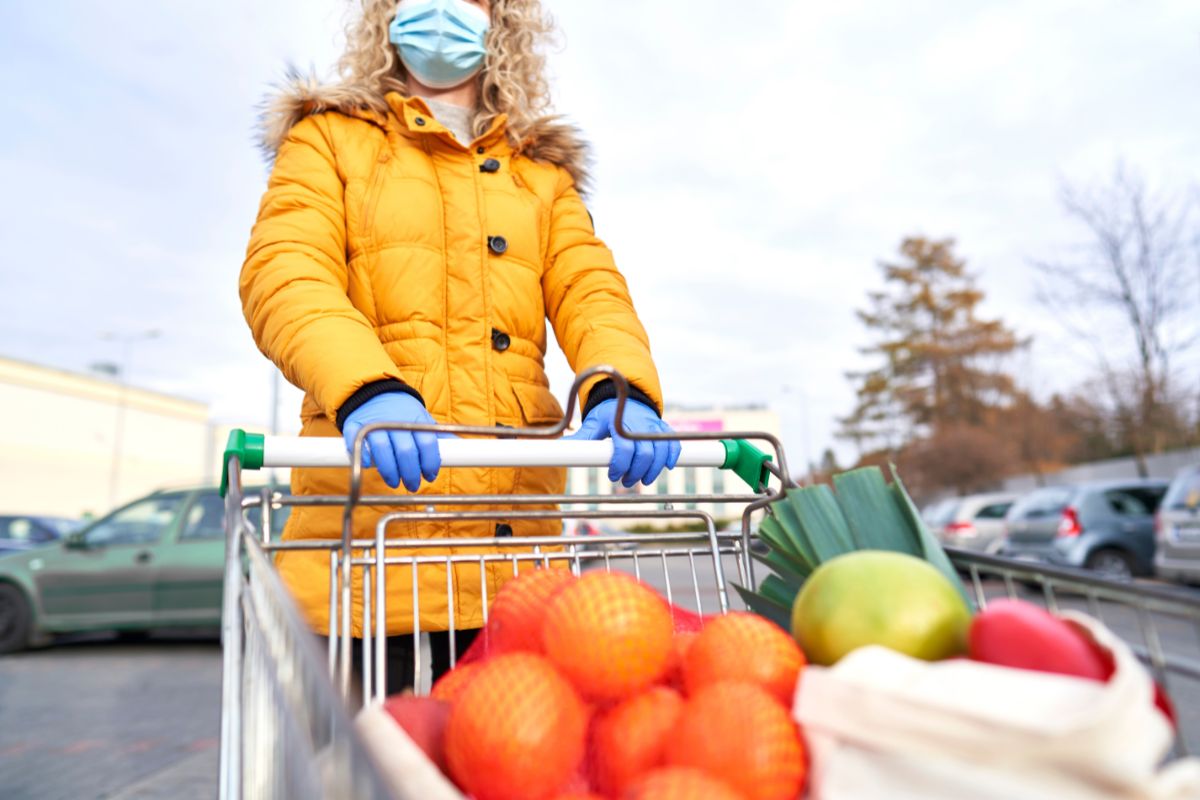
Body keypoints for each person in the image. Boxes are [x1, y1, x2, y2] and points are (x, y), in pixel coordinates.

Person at [240, 0, 679, 692]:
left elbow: (592, 292)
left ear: (499, 21)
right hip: (365, 577)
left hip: (516, 585)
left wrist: (621, 389)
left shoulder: (540, 176)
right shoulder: (328, 142)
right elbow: (285, 272)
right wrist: (367, 387)